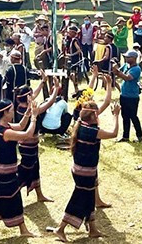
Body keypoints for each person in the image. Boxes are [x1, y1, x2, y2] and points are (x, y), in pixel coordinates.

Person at [52, 75, 120, 242]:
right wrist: (116, 116)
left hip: (81, 169)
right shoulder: (91, 131)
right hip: (85, 172)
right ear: (93, 116)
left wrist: (109, 85)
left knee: (89, 198)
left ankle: (93, 229)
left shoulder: (80, 124)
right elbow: (114, 134)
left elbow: (103, 102)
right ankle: (60, 229)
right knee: (79, 199)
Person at [0, 98, 38, 241]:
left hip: (8, 171)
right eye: (11, 110)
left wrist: (28, 114)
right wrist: (34, 118)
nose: (13, 112)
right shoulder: (5, 132)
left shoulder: (5, 125)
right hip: (1, 174)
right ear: (5, 112)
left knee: (15, 198)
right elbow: (27, 134)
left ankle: (23, 229)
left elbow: (21, 126)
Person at [113, 50, 142, 142]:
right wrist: (115, 69)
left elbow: (127, 78)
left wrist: (117, 72)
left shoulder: (136, 69)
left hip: (132, 97)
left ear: (134, 58)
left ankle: (139, 136)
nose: (125, 58)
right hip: (124, 95)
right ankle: (125, 136)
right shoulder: (126, 65)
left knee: (133, 116)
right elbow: (119, 72)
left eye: (128, 57)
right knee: (125, 116)